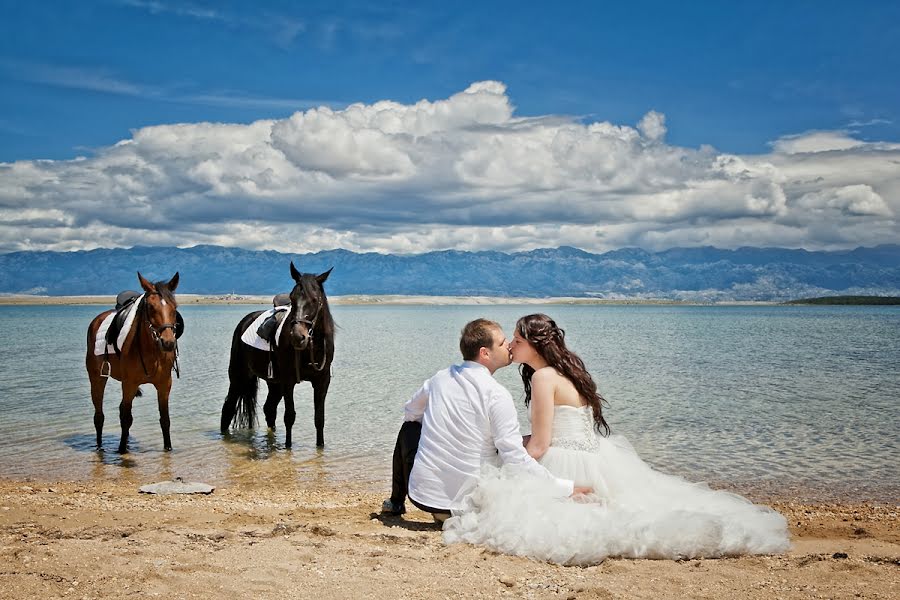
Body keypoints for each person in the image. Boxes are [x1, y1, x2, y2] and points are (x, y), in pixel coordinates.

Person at [442, 313, 790, 564]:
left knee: (509, 494)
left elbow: (541, 446)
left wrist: (503, 457)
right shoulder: (566, 372)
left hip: (565, 458)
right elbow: (558, 429)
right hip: (597, 455)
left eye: (516, 340)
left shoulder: (543, 379)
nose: (511, 347)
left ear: (533, 344)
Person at [382, 318, 581, 522]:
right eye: (503, 343)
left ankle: (396, 501)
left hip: (424, 497)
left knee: (409, 427)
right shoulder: (496, 394)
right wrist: (564, 488)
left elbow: (411, 411)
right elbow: (513, 455)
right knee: (501, 442)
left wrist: (439, 428)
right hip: (469, 503)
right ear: (485, 353)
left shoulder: (439, 378)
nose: (509, 346)